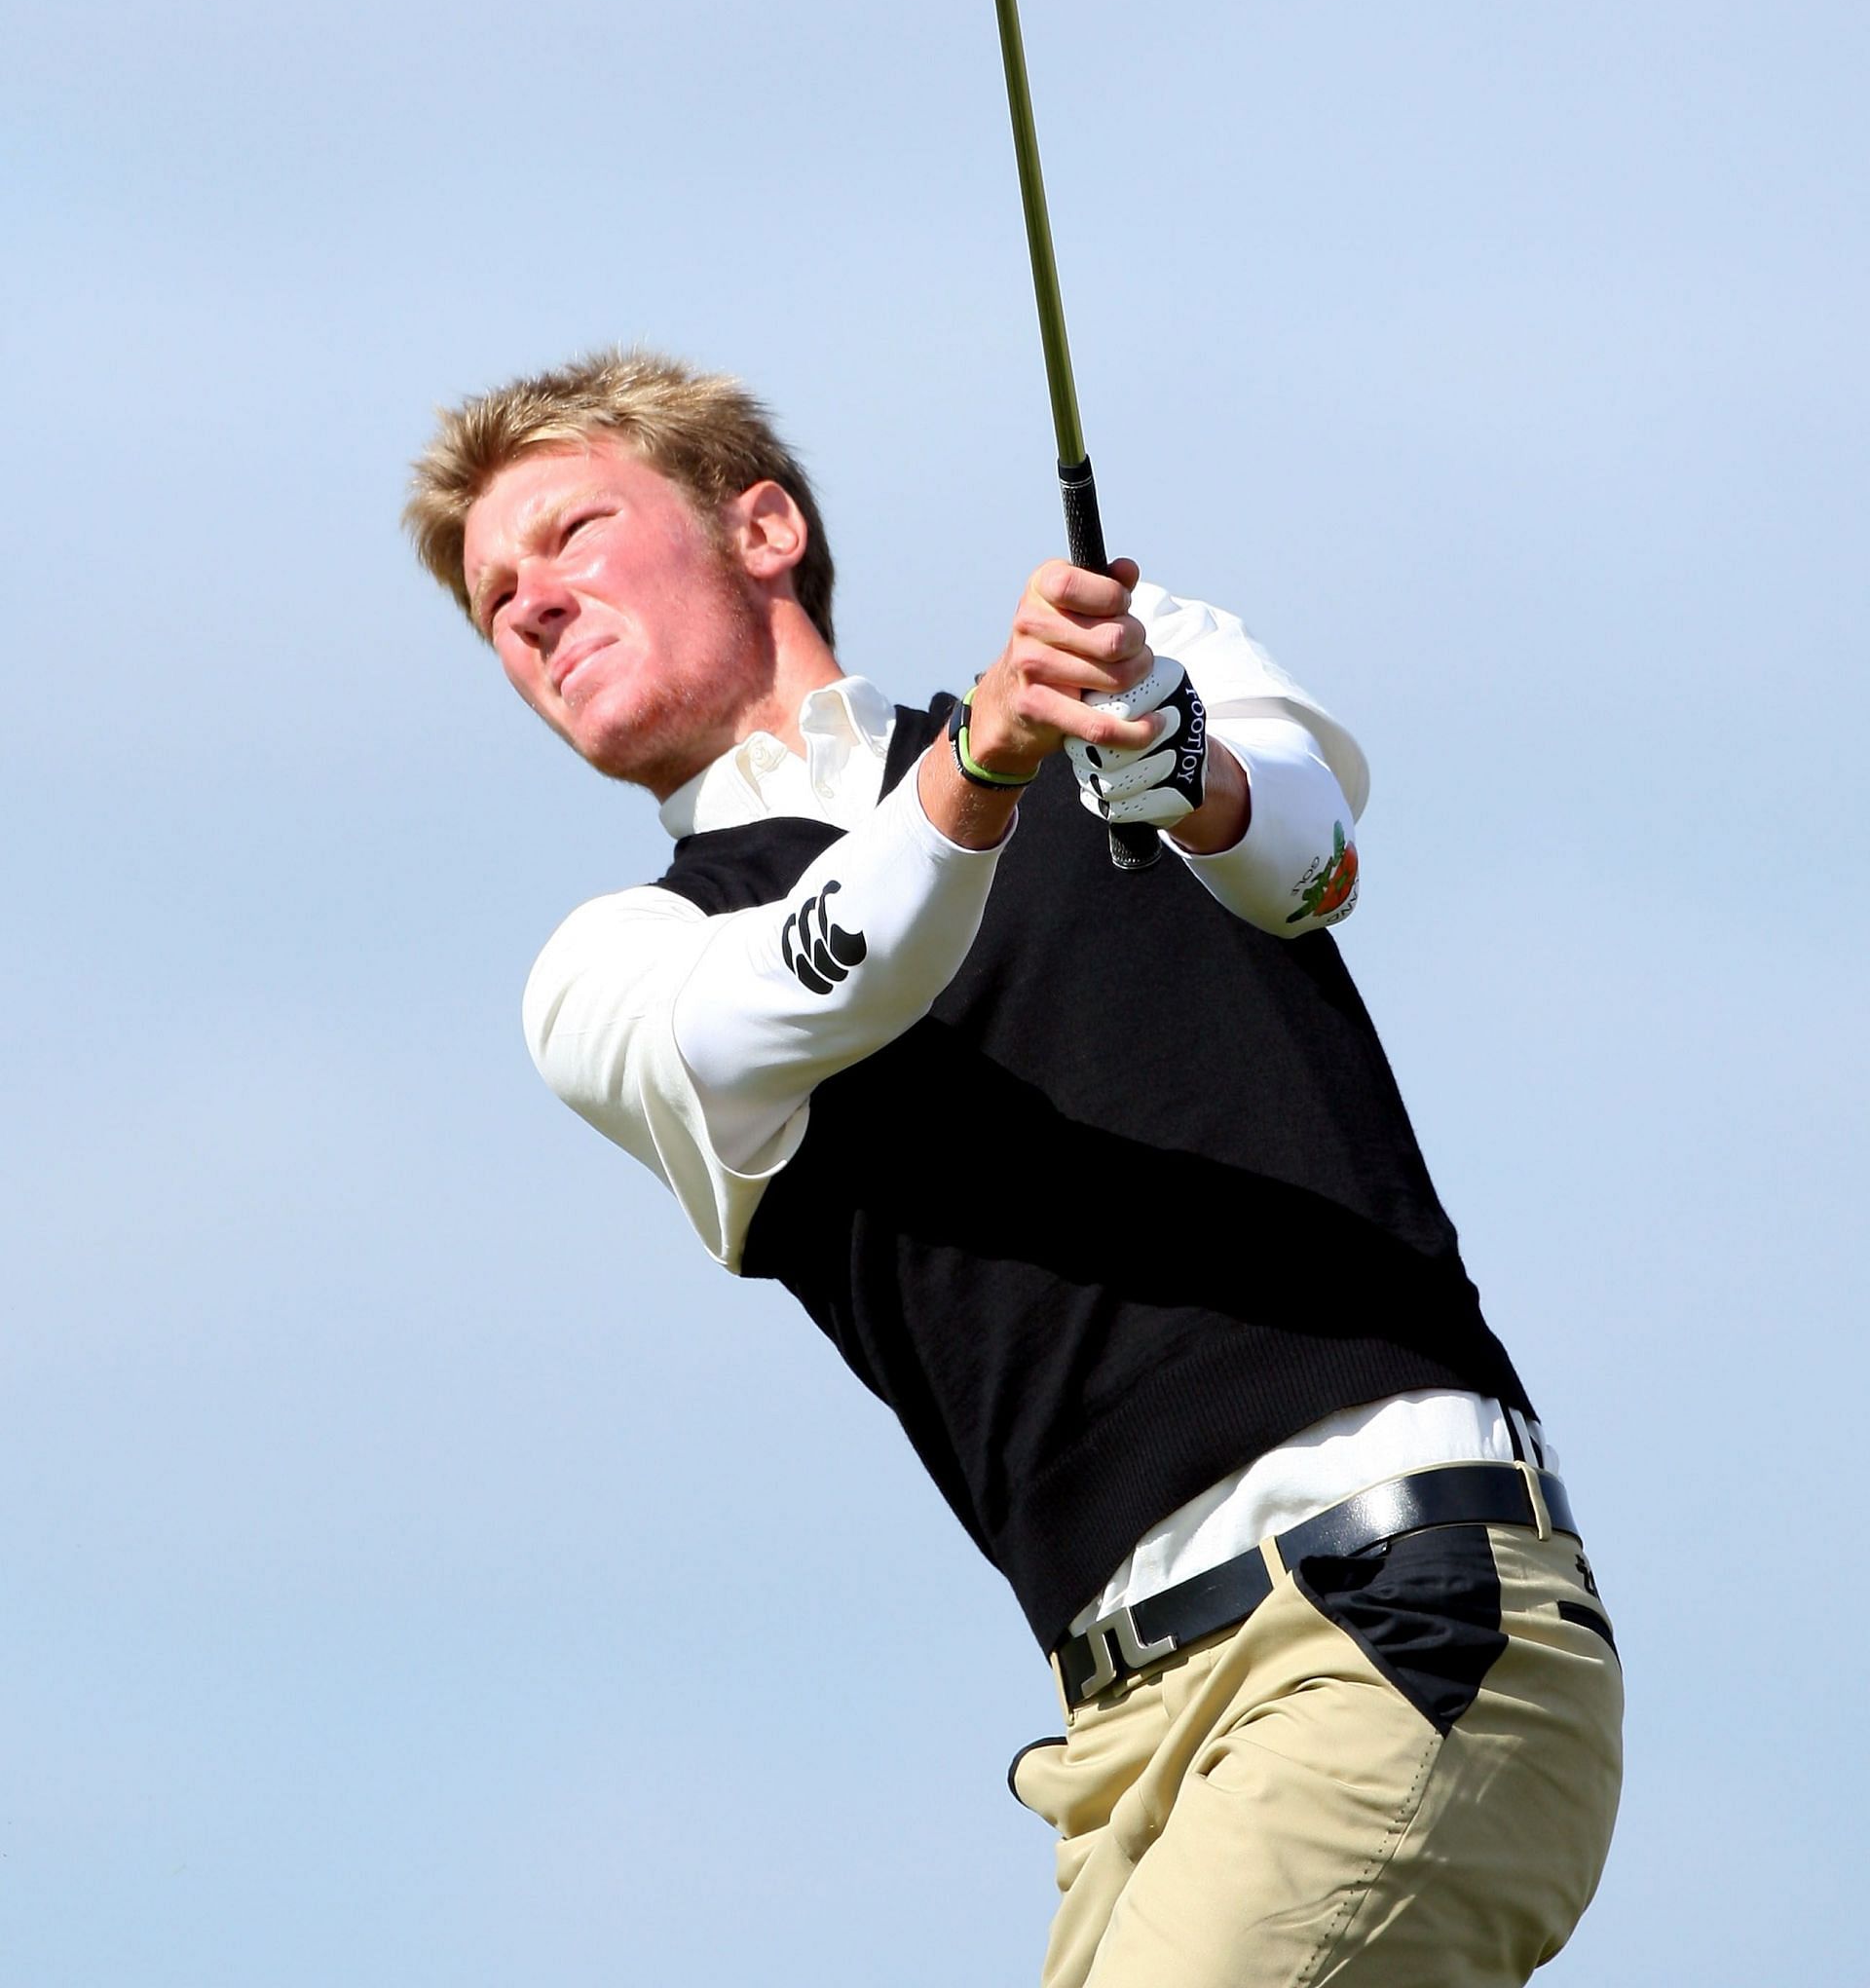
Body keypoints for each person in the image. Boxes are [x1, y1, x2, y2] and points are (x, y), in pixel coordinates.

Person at [404, 344, 1622, 1988]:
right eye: (492, 600)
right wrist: (983, 765)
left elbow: (1308, 865)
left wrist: (1171, 764)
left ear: (762, 526)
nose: (529, 607)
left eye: (569, 535)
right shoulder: (613, 973)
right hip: (1119, 1761)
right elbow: (839, 972)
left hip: (1395, 1617)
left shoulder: (1148, 657)